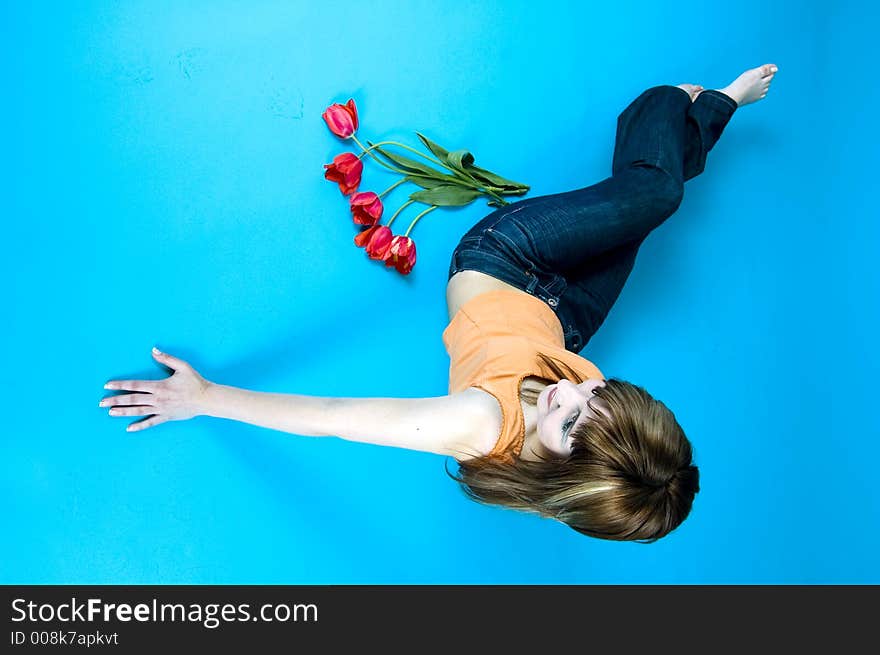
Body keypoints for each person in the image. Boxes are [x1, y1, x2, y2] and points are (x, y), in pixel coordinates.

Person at [100, 63, 779, 543]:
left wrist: (205, 396)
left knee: (652, 197)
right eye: (597, 399)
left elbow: (336, 417)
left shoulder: (479, 424)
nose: (569, 396)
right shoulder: (576, 418)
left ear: (564, 486)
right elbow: (579, 413)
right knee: (652, 204)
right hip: (560, 322)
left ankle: (679, 109)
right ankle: (702, 110)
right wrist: (576, 401)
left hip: (505, 261)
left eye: (570, 427)